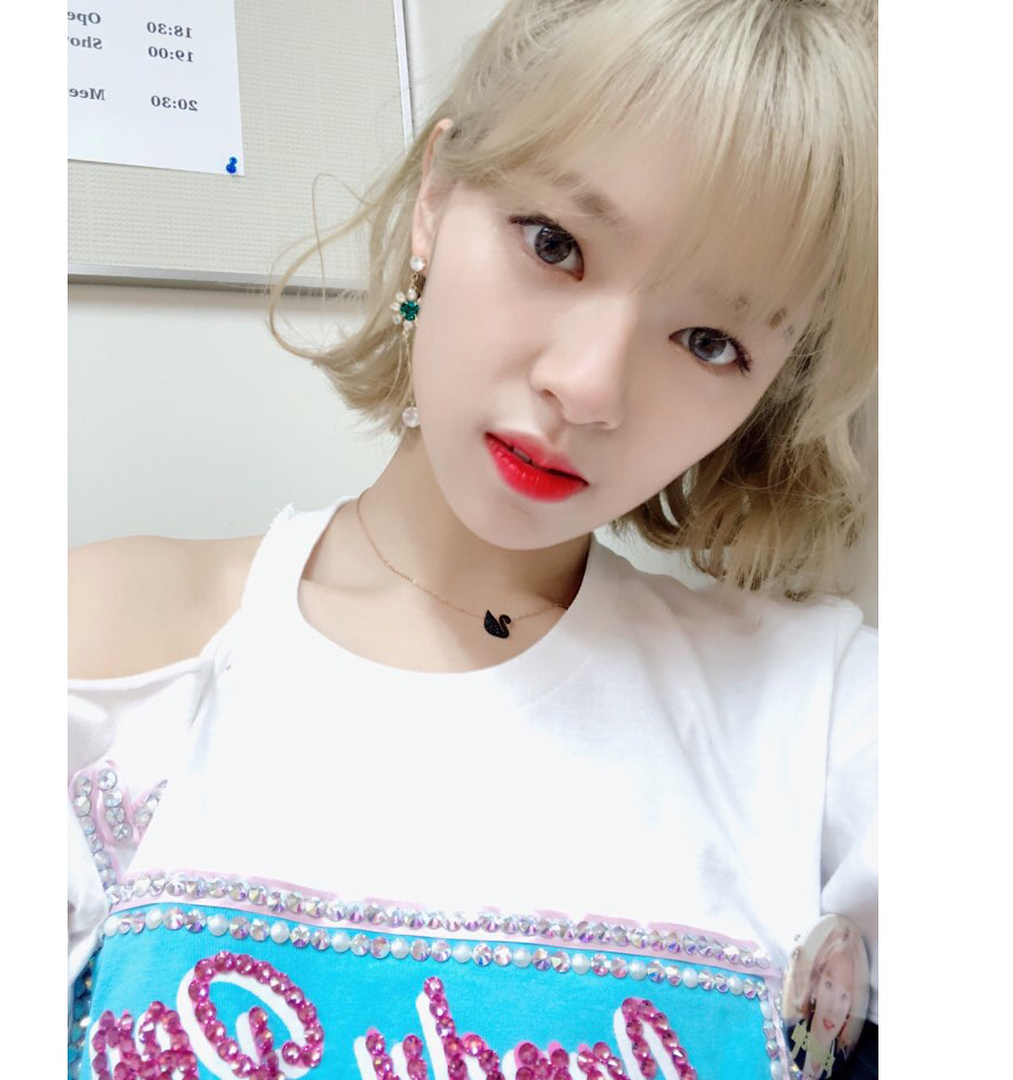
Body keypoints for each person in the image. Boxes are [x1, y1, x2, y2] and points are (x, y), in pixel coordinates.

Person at [68, 2, 878, 1078]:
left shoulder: (818, 711)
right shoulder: (111, 652)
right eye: (556, 245)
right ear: (437, 200)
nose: (587, 388)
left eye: (707, 341)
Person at [785, 926, 866, 1079]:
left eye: (844, 996)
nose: (833, 1008)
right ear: (816, 984)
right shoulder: (789, 1037)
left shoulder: (841, 1062)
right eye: (829, 985)